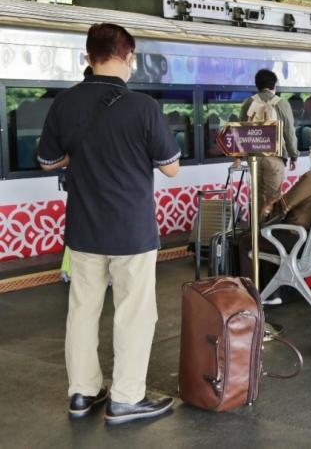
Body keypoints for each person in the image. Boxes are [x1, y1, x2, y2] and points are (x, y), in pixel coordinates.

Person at [37, 23, 181, 425]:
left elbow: (48, 161)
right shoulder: (143, 107)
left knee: (82, 311)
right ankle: (126, 399)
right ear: (130, 58)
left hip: (83, 228)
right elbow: (170, 168)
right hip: (132, 231)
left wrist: (77, 157)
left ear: (88, 57)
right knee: (133, 313)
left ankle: (82, 393)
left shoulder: (64, 104)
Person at [240, 132, 311, 297]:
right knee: (271, 237)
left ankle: (252, 294)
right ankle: (276, 290)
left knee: (248, 240)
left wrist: (267, 207)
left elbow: (283, 206)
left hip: (301, 241)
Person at [238, 69, 300, 218]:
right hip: (274, 157)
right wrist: (294, 155)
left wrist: (239, 157)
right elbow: (289, 133)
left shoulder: (248, 102)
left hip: (253, 158)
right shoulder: (281, 103)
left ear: (257, 85)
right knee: (273, 198)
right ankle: (269, 232)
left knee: (258, 196)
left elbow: (240, 130)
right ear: (274, 85)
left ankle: (255, 233)